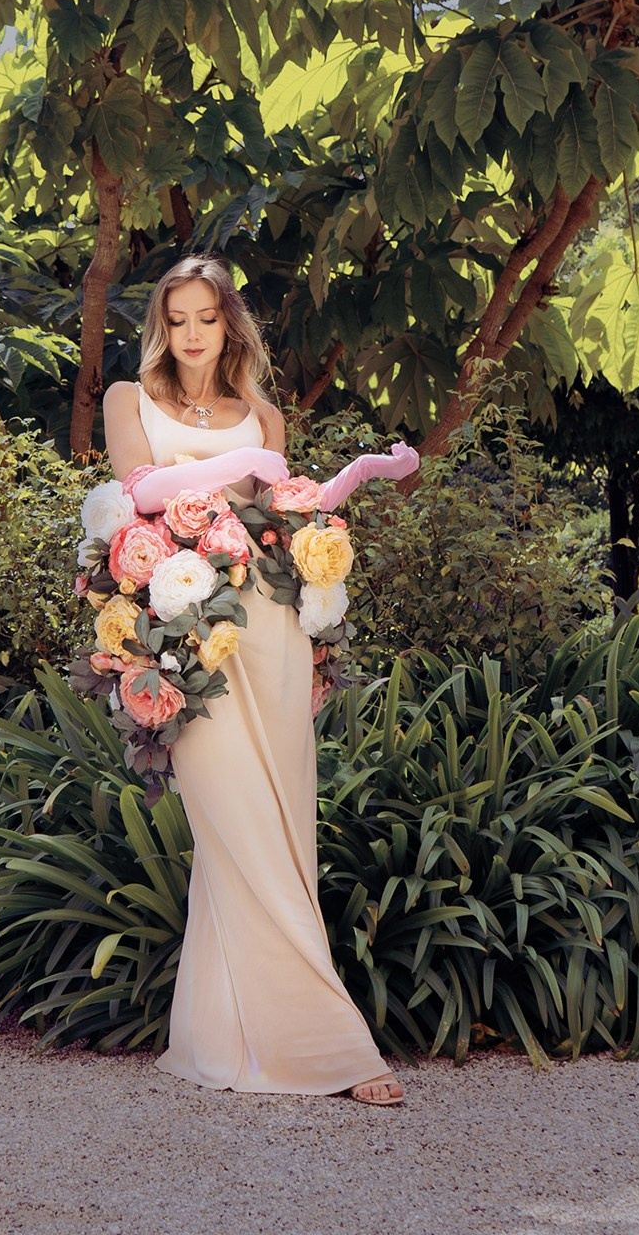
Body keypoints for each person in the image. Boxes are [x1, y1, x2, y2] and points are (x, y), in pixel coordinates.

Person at [99, 252, 411, 1108]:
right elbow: (144, 487)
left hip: (269, 628)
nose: (193, 335)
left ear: (230, 324)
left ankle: (222, 1035)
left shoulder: (262, 412)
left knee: (281, 824)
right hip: (184, 639)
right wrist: (240, 476)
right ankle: (332, 1048)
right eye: (179, 319)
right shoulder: (130, 400)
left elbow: (290, 510)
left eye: (208, 318)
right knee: (234, 817)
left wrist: (361, 475)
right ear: (162, 325)